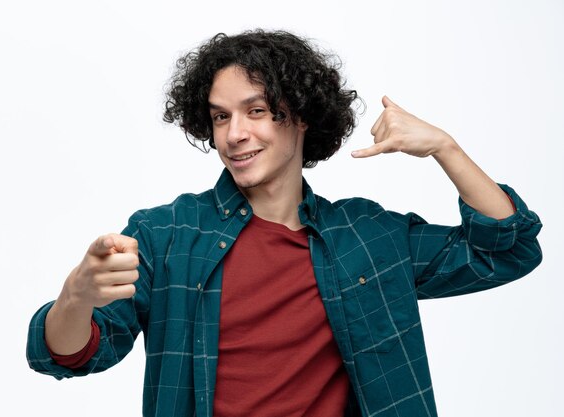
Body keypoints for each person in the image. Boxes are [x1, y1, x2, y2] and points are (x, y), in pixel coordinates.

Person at [27, 29, 543, 417]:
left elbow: (505, 251)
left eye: (255, 111)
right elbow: (70, 354)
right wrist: (75, 298)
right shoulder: (168, 235)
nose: (234, 134)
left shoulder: (367, 237)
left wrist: (444, 149)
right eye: (221, 116)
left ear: (300, 117)